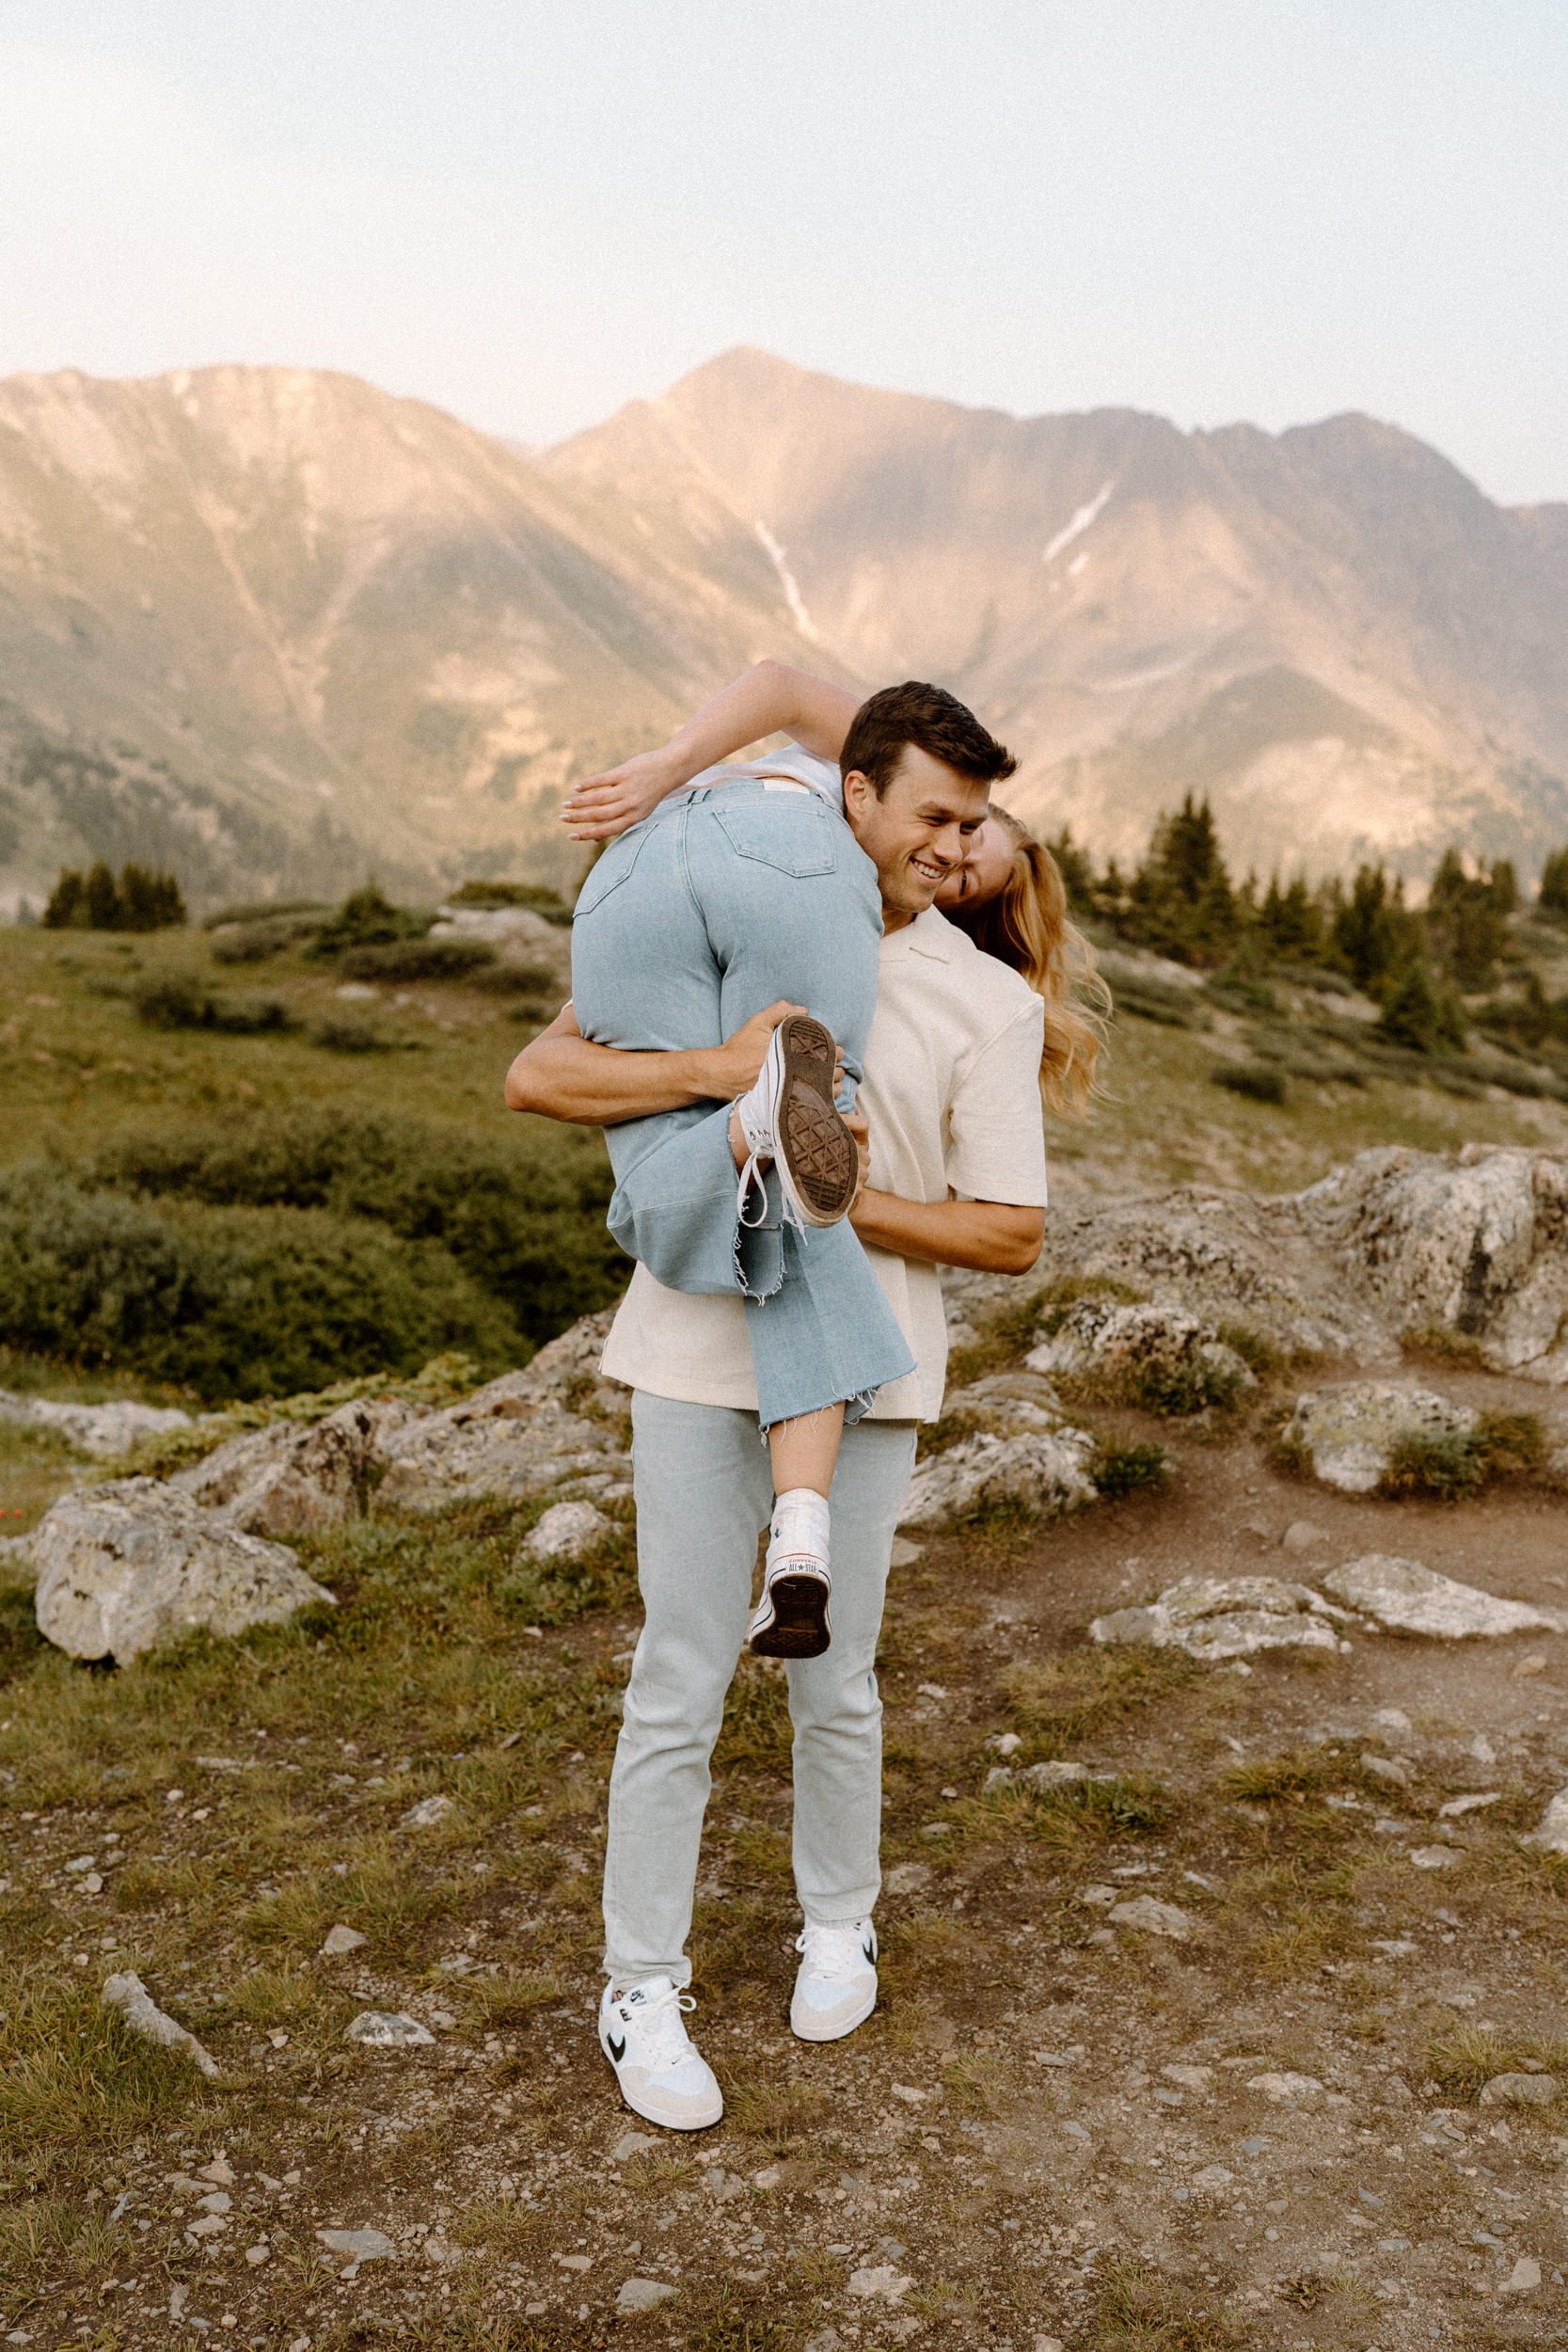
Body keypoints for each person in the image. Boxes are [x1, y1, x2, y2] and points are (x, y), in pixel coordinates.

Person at [507, 663, 1105, 2132]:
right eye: (936, 816)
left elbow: (1010, 1232)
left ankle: (837, 1923)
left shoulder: (976, 1004)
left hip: (866, 1371)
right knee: (680, 1669)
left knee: (834, 1679)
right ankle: (637, 1984)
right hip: (695, 1352)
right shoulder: (751, 914)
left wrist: (846, 1201)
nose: (950, 844)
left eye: (974, 830)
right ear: (866, 799)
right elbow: (540, 1069)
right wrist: (721, 1076)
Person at [562, 672, 1017, 1664]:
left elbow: (535, 1072)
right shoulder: (854, 829)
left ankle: (742, 1127)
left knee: (663, 1169)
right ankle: (800, 1527)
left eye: (971, 864)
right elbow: (783, 682)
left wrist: (664, 773)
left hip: (621, 887)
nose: (954, 858)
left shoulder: (879, 753)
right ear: (869, 793)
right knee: (808, 1176)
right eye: (951, 829)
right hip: (763, 870)